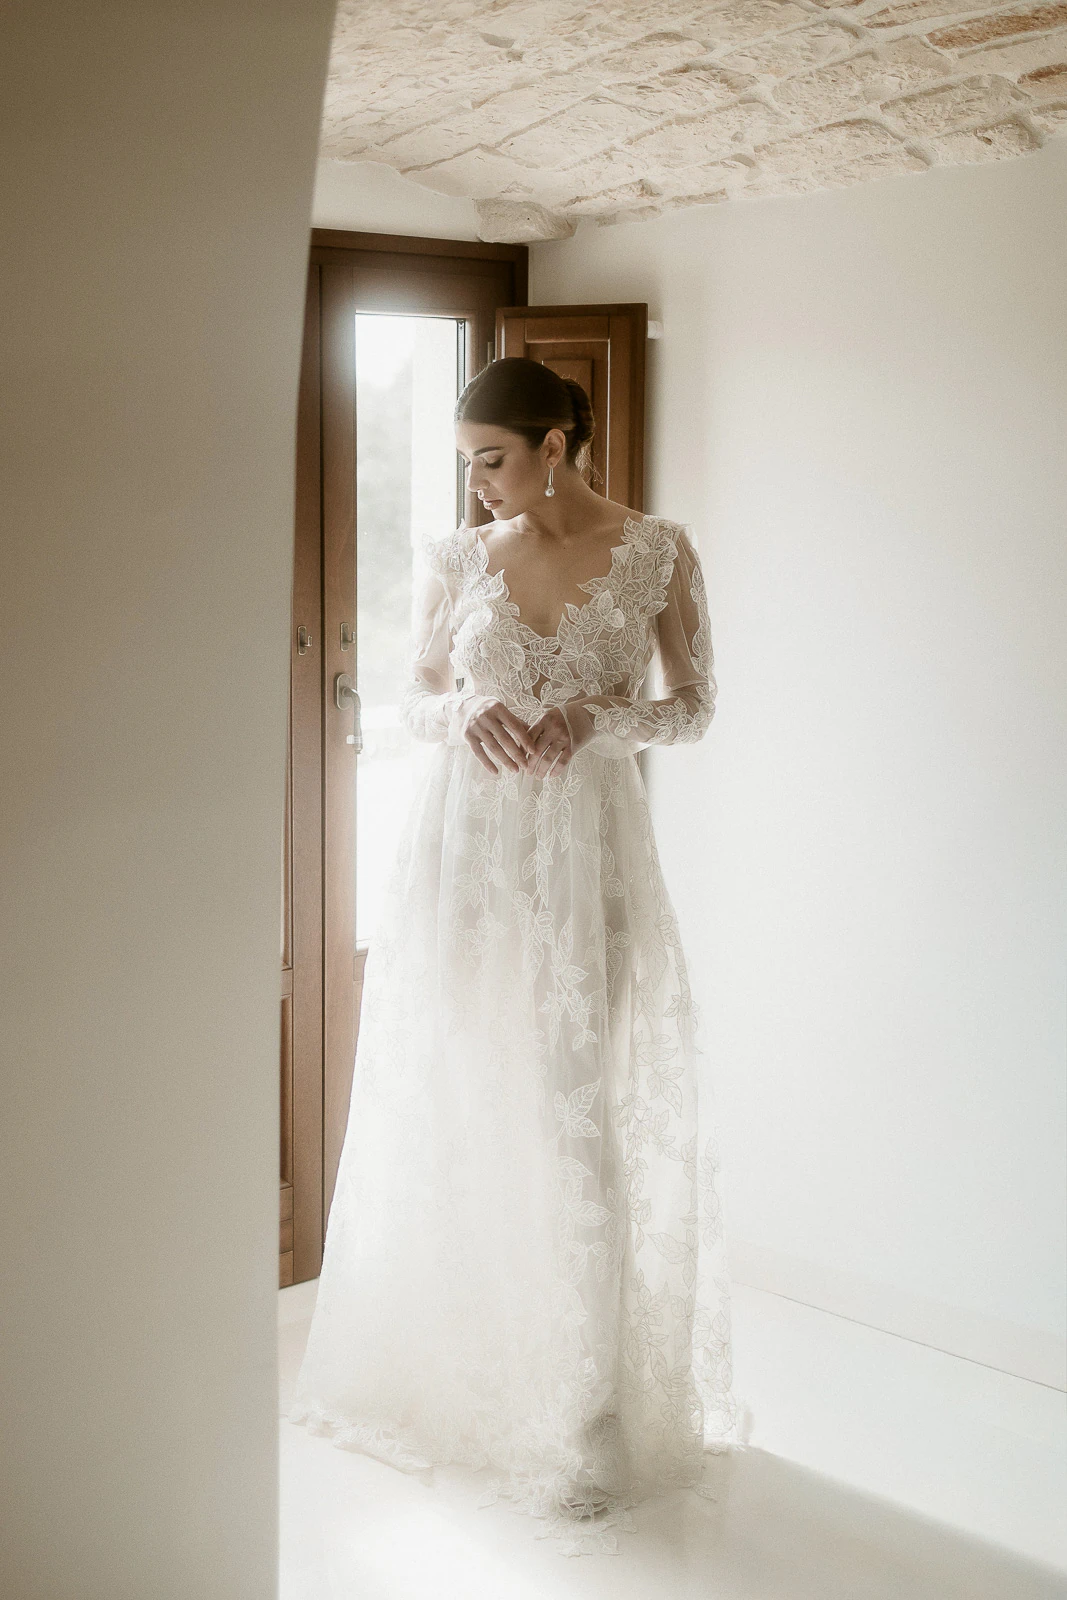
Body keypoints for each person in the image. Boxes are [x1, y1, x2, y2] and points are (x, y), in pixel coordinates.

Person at [288, 356, 744, 1555]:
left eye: (492, 457)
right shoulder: (457, 559)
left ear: (557, 442)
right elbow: (409, 697)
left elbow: (694, 706)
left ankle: (580, 1403)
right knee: (468, 1091)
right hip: (468, 858)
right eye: (465, 462)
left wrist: (599, 719)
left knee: (577, 1109)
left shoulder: (658, 552)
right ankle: (462, 1363)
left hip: (589, 857)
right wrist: (461, 715)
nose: (478, 484)